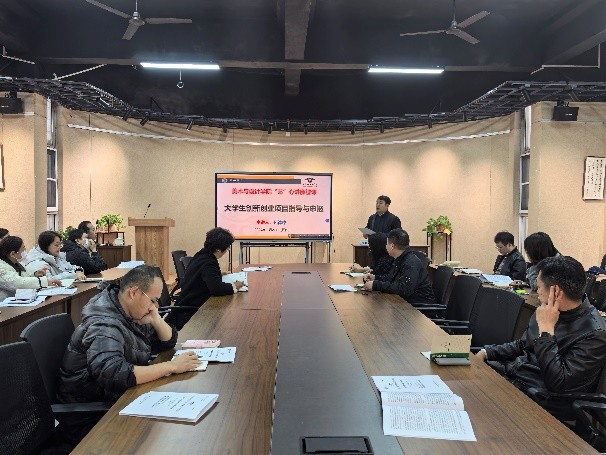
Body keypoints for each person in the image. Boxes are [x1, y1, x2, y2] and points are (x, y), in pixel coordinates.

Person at [57, 265, 199, 442]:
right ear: (134, 292)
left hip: (119, 397)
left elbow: (167, 342)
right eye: (153, 300)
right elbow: (113, 373)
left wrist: (155, 318)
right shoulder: (104, 324)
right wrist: (172, 366)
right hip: (91, 417)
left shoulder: (128, 310)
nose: (154, 306)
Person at [477, 256, 606, 421]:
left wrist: (546, 331)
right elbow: (523, 344)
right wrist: (487, 352)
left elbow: (559, 384)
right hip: (516, 379)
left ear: (555, 292)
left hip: (542, 402)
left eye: (538, 287)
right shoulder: (547, 310)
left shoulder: (595, 333)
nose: (537, 292)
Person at [165, 227, 244, 330]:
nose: (226, 250)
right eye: (227, 248)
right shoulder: (208, 262)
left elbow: (204, 278)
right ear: (218, 249)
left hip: (188, 306)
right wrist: (235, 286)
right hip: (191, 313)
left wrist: (218, 275)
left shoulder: (202, 255)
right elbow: (216, 289)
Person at [363, 228, 435, 304]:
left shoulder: (411, 262)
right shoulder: (399, 258)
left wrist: (375, 285)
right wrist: (375, 278)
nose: (386, 247)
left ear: (392, 246)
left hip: (418, 307)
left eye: (387, 244)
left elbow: (404, 290)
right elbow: (391, 279)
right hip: (405, 302)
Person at [0, 236, 61, 300]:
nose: (25, 252)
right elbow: (18, 283)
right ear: (12, 254)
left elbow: (23, 276)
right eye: (23, 250)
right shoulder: (1, 266)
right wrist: (44, 282)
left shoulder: (17, 264)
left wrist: (34, 274)